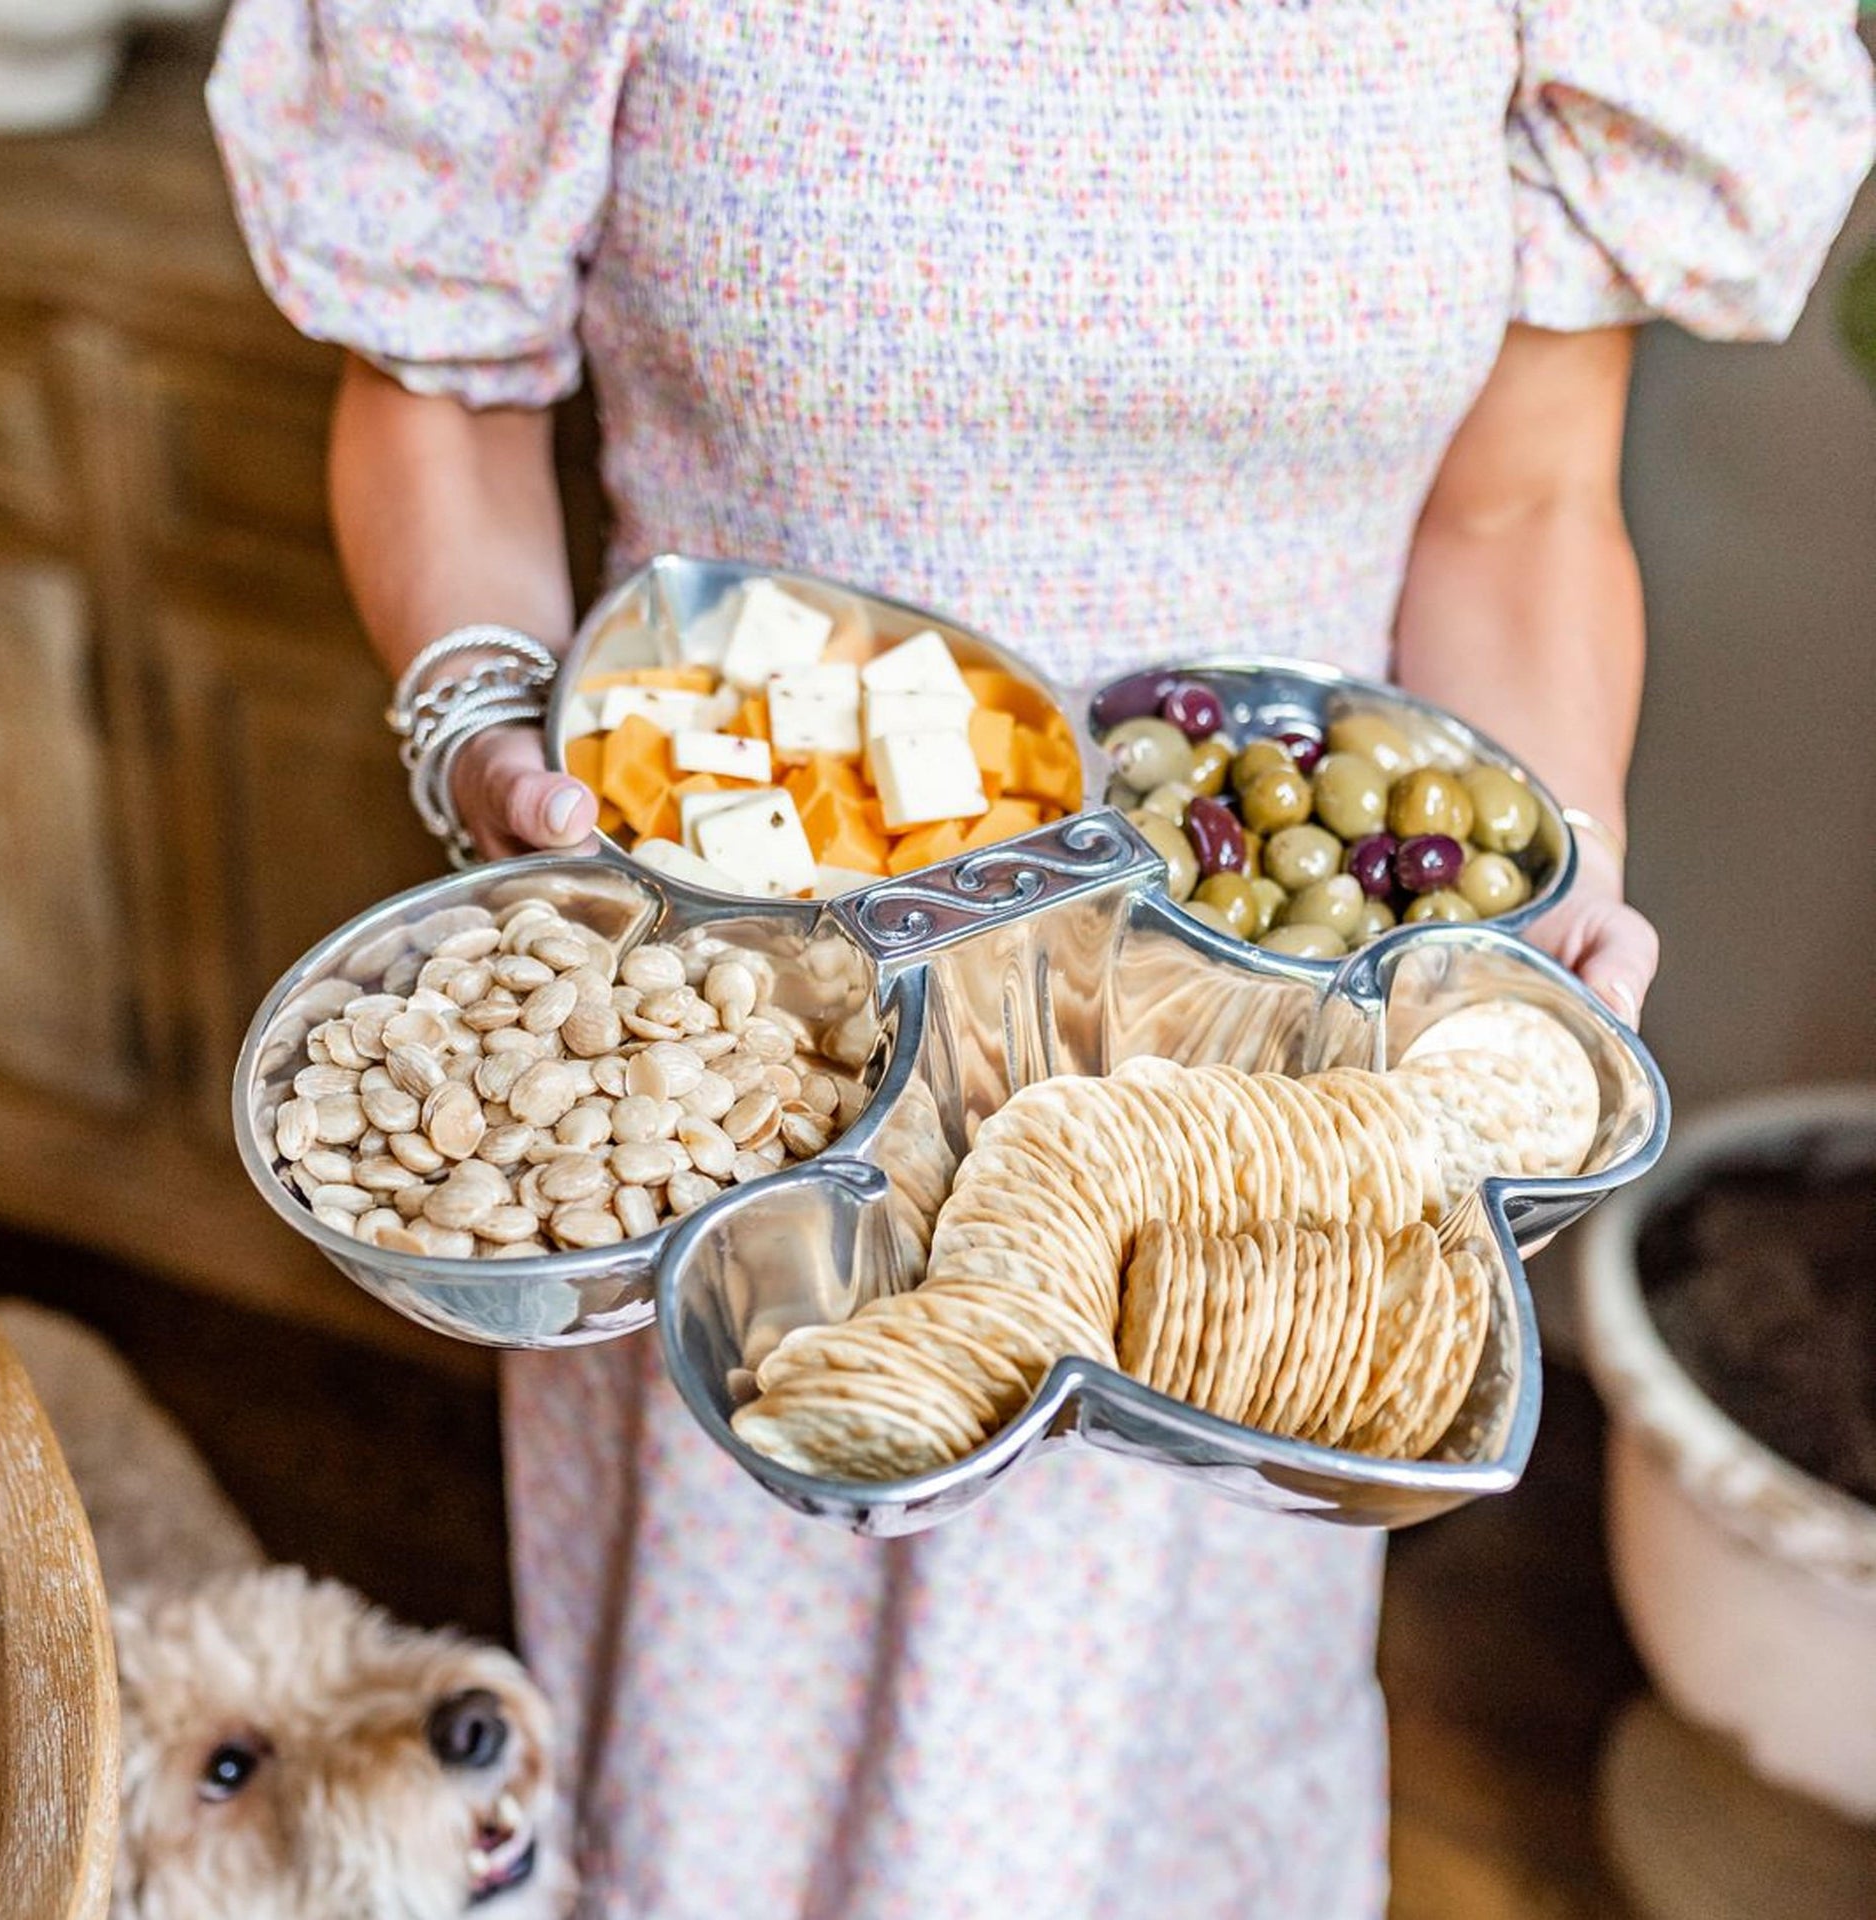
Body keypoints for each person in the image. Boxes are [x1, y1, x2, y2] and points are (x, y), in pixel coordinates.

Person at [208, 4, 1872, 1913]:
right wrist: (488, 724)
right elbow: (442, 388)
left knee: (1157, 1763)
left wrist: (1552, 889)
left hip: (1252, 1109)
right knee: (737, 1772)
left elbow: (1517, 509)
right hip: (748, 1077)